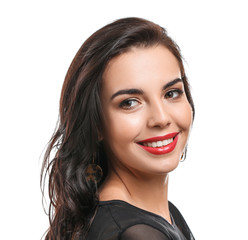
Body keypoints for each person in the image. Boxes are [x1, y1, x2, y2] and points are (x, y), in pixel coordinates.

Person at [41, 17, 195, 240]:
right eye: (130, 102)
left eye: (171, 93)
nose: (161, 118)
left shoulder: (164, 215)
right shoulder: (136, 234)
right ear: (97, 125)